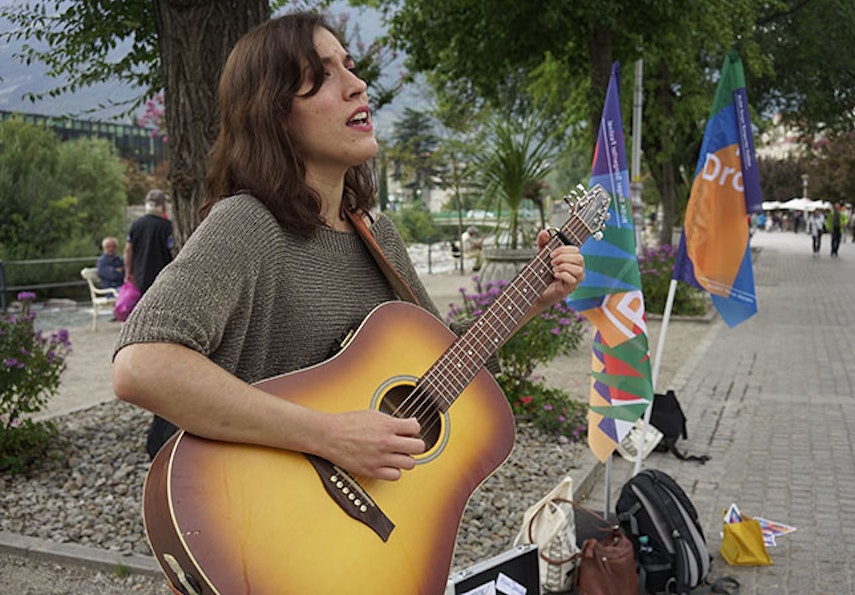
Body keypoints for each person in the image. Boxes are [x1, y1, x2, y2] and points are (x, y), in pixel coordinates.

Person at [112, 12, 584, 477]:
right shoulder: (247, 223)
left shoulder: (380, 238)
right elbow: (142, 365)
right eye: (321, 75)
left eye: (349, 65)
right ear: (272, 112)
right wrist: (330, 435)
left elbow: (438, 372)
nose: (356, 85)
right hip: (266, 518)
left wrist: (527, 304)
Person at [124, 189, 175, 293]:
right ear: (163, 207)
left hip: (140, 276)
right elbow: (172, 250)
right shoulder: (167, 227)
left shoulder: (136, 225)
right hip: (163, 276)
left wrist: (128, 272)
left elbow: (128, 250)